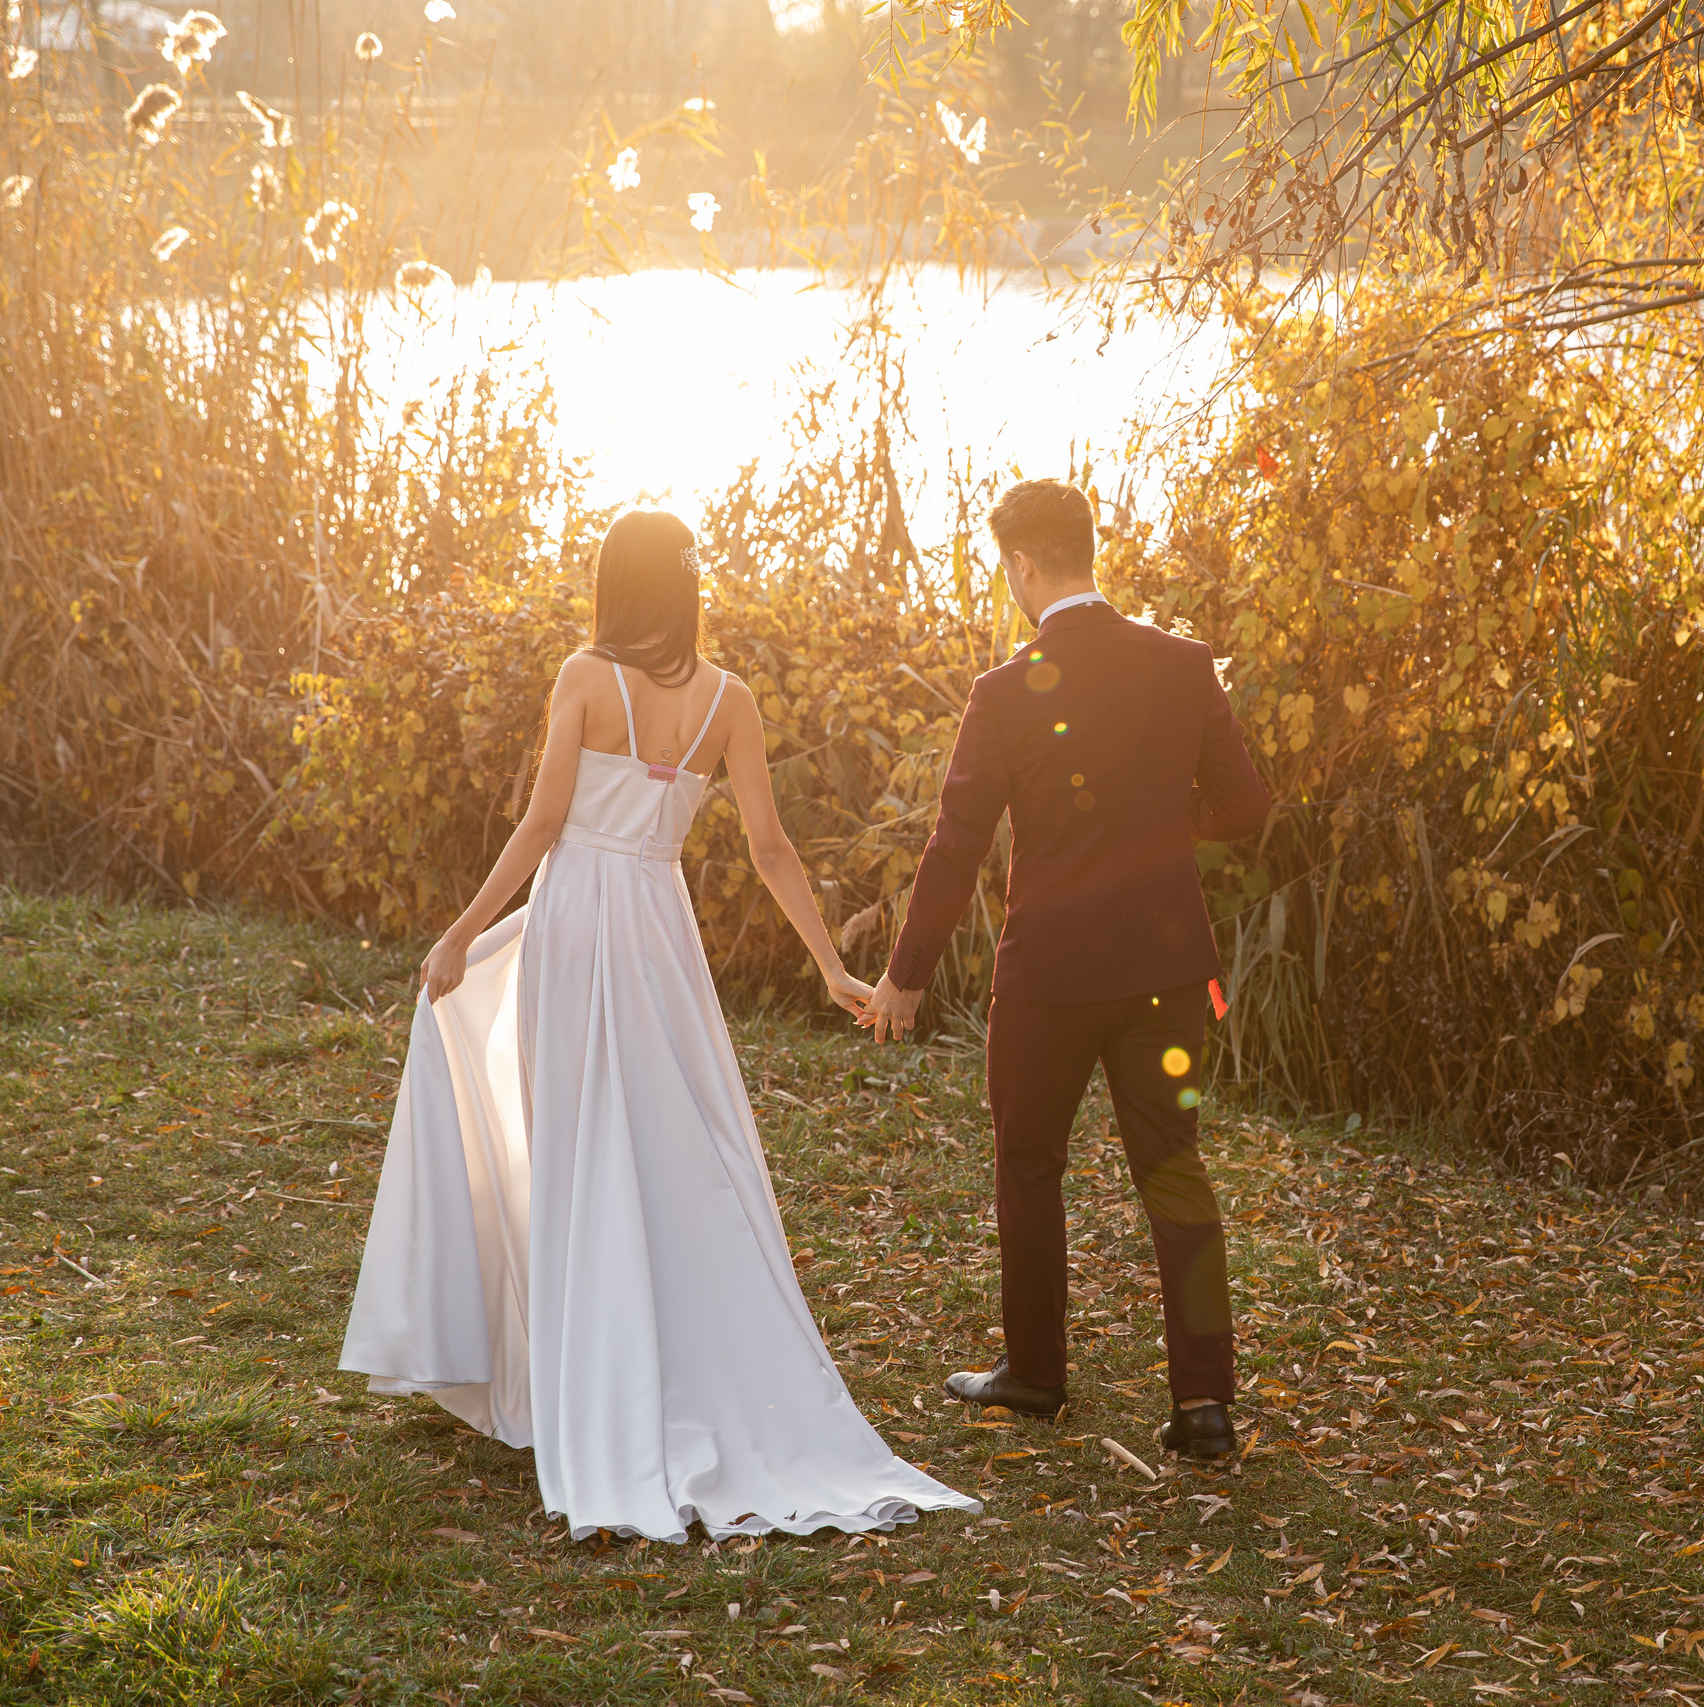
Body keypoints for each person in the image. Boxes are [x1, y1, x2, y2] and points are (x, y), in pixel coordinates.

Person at [340, 508, 978, 1541]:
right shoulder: (731, 698)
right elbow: (771, 847)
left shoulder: (585, 676)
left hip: (579, 917)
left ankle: (586, 1379)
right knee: (667, 1136)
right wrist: (827, 965)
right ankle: (651, 1355)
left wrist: (462, 931)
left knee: (578, 1142)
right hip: (659, 930)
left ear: (614, 587)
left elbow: (545, 824)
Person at [861, 478, 1272, 1460]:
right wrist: (1161, 828)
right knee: (1176, 1173)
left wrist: (905, 976)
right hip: (1167, 975)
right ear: (1089, 552)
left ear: (1024, 567)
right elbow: (1247, 805)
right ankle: (1205, 1405)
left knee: (1029, 1167)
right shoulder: (1184, 666)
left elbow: (955, 844)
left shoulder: (1002, 694)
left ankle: (1037, 1374)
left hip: (1045, 978)